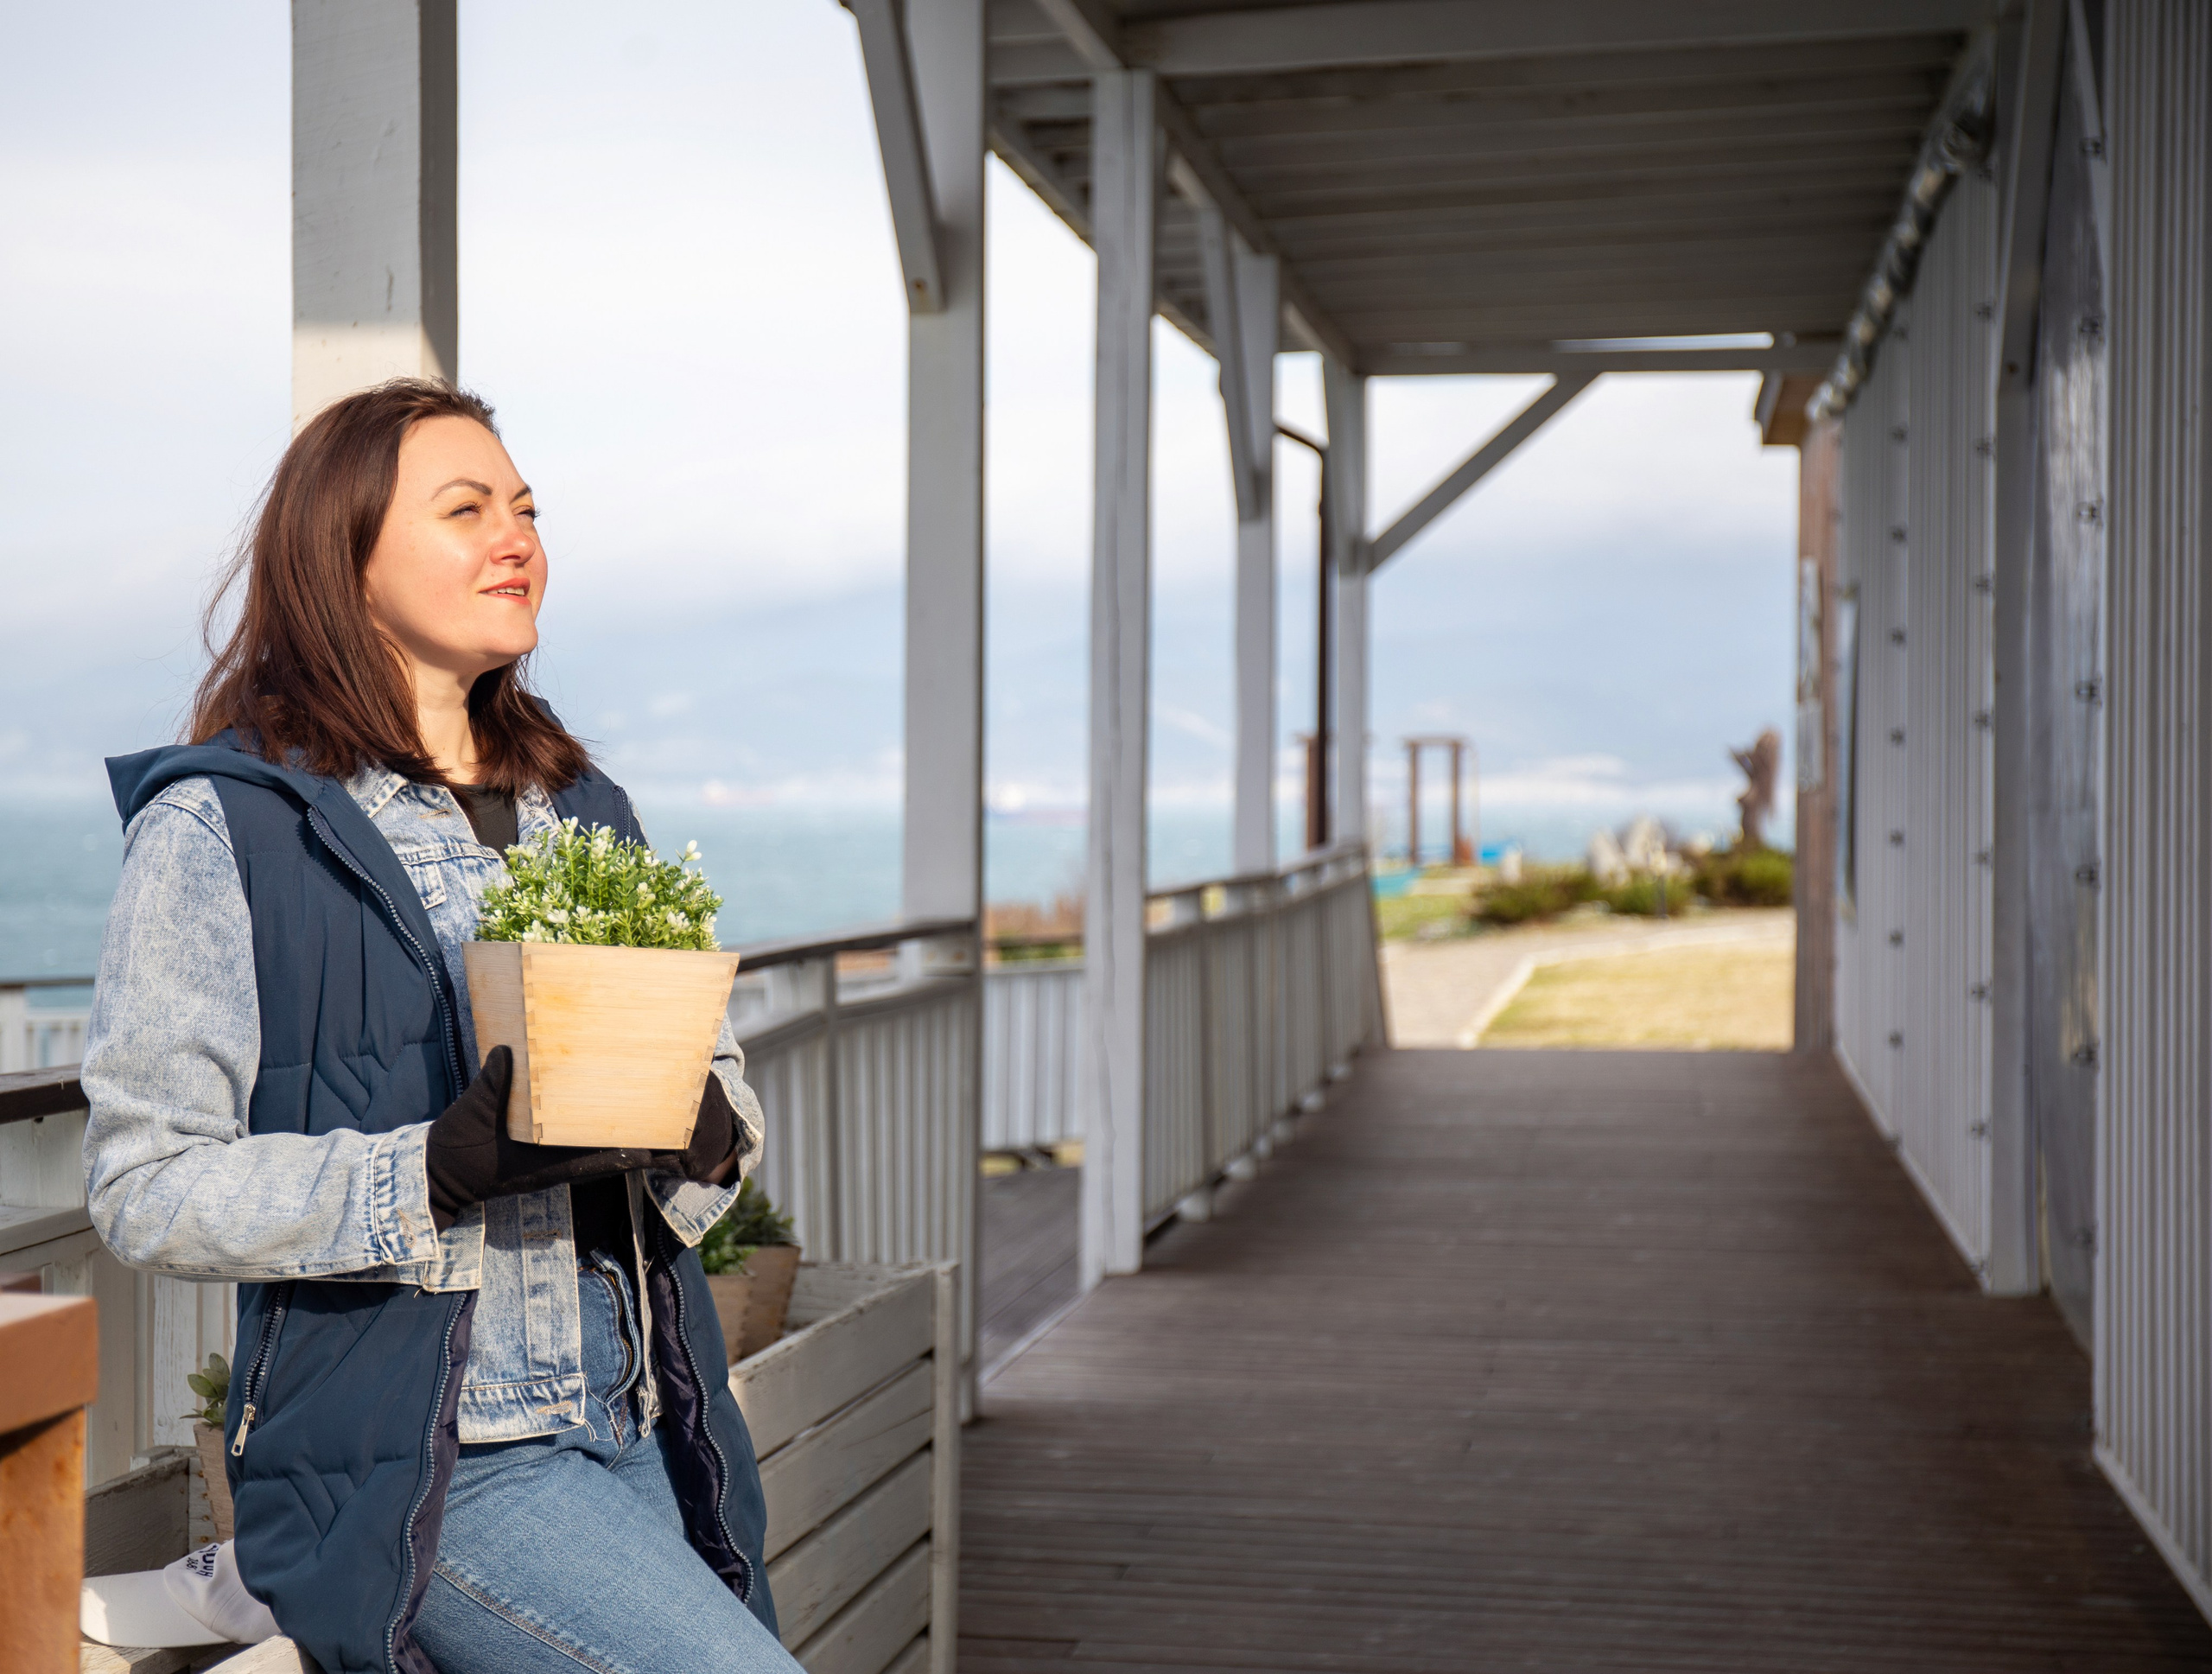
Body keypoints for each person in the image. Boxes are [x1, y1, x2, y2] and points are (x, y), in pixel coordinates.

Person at [81, 379, 801, 1674]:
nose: (516, 537)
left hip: (647, 1421)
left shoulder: (583, 807)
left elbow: (729, 1090)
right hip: (440, 1466)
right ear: (342, 559)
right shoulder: (223, 828)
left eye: (525, 508)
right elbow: (143, 1185)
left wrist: (701, 1134)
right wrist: (429, 1170)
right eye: (466, 508)